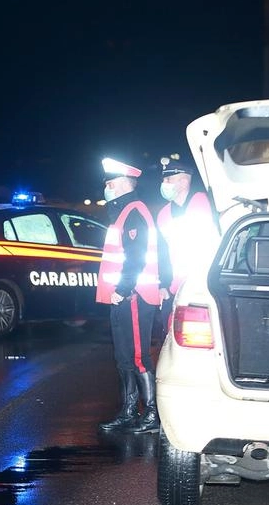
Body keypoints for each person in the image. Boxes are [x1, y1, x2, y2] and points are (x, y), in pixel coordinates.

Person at [96, 158, 161, 434]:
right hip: (122, 297)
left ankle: (151, 414)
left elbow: (135, 257)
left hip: (134, 296)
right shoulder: (122, 212)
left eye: (110, 184)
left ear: (123, 184)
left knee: (137, 356)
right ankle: (128, 411)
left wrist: (122, 289)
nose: (107, 188)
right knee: (123, 358)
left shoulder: (134, 211)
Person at [155, 158, 218, 329]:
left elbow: (202, 249)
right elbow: (163, 252)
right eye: (163, 180)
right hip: (174, 288)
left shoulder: (203, 204)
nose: (164, 184)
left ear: (183, 182)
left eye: (168, 180)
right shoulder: (163, 214)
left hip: (202, 285)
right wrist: (164, 284)